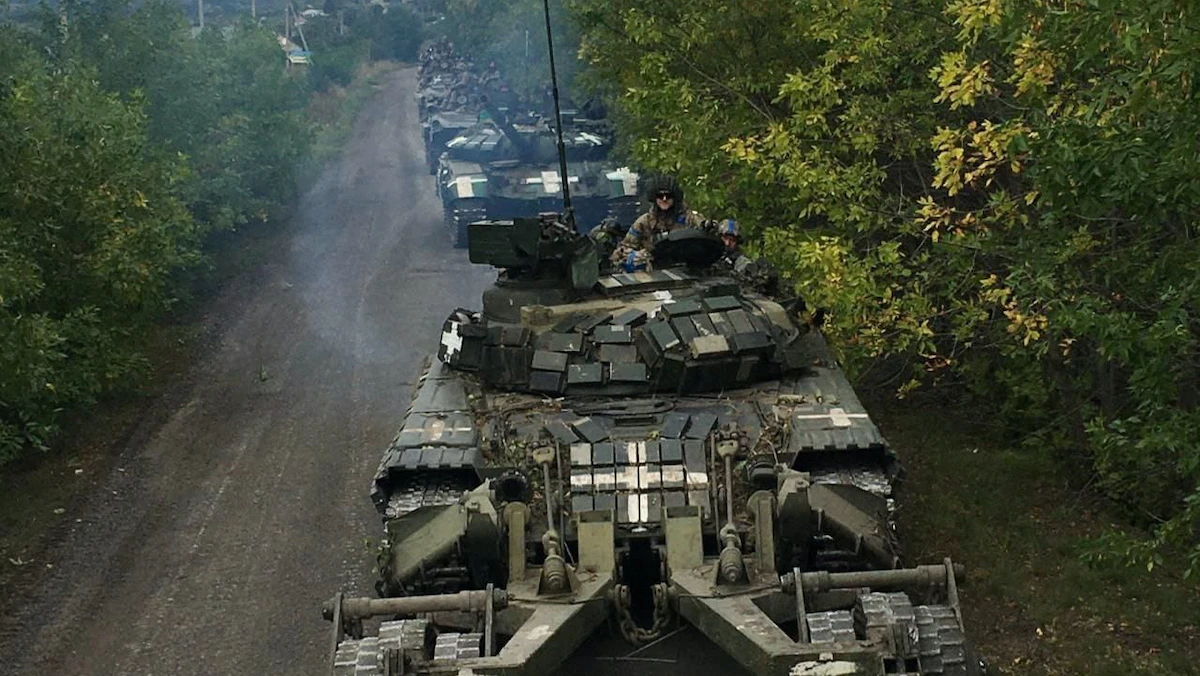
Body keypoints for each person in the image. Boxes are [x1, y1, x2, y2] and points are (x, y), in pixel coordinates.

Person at [611, 175, 709, 271]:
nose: (664, 199)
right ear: (654, 197)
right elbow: (620, 254)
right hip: (654, 274)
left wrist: (710, 226)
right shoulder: (644, 223)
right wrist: (636, 256)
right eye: (660, 196)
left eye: (668, 196)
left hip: (688, 271)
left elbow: (705, 227)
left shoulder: (688, 218)